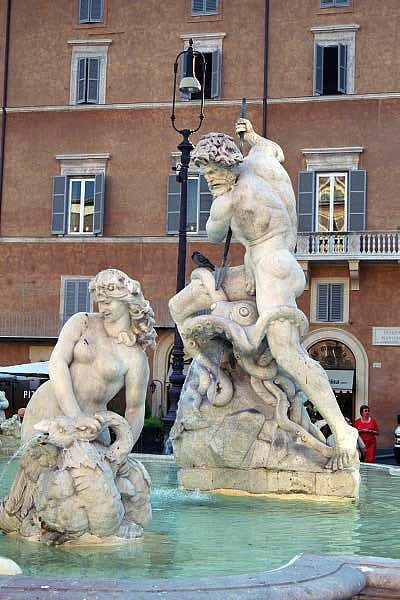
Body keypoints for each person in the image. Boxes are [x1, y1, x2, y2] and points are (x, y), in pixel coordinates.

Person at [191, 118, 358, 470]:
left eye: (211, 173)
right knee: (188, 300)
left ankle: (342, 430)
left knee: (287, 352)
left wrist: (221, 201)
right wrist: (251, 136)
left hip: (271, 267)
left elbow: (211, 233)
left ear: (226, 164)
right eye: (206, 176)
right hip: (275, 260)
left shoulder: (227, 199)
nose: (210, 181)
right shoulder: (260, 160)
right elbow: (273, 149)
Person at [22, 269, 156, 445]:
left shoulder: (135, 356)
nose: (102, 308)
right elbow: (57, 362)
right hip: (49, 404)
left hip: (92, 423)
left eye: (108, 302)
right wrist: (75, 415)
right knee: (33, 469)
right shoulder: (82, 322)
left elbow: (135, 409)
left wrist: (121, 450)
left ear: (126, 301)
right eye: (99, 302)